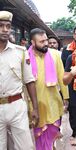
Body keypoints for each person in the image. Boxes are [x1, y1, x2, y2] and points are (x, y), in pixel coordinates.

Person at [0, 10, 39, 150]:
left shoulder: (20, 52)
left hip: (17, 106)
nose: (5, 30)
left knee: (26, 147)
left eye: (8, 26)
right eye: (1, 26)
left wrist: (35, 108)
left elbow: (29, 81)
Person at [28, 28, 69, 150]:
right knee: (39, 135)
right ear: (33, 43)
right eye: (41, 41)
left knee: (51, 132)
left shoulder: (55, 54)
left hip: (52, 102)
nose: (46, 43)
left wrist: (66, 96)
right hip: (35, 104)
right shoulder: (26, 57)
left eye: (46, 40)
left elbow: (62, 76)